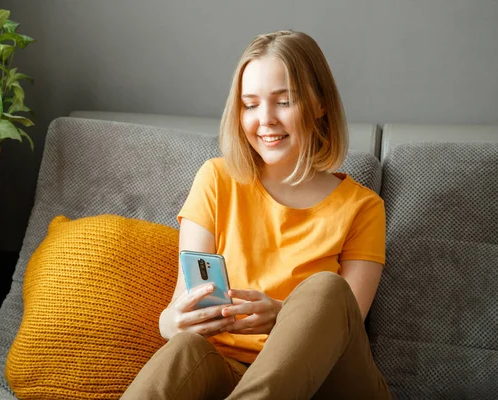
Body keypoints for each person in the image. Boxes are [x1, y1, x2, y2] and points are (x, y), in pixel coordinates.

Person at [122, 30, 392, 399]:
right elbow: (176, 313)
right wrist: (176, 321)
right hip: (229, 373)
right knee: (183, 350)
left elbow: (345, 323)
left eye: (284, 101)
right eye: (250, 105)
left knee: (327, 290)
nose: (265, 120)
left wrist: (282, 313)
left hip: (326, 381)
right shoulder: (217, 180)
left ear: (319, 104)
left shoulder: (362, 208)